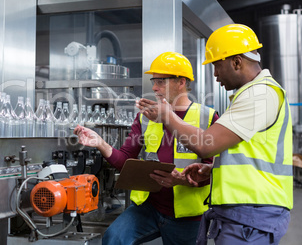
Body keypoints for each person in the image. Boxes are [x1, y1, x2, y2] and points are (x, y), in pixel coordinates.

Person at [137, 24, 293, 245]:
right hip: (244, 213)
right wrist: (213, 171)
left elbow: (205, 145)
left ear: (237, 62)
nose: (215, 74)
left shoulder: (260, 95)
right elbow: (250, 154)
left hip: (251, 215)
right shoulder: (252, 94)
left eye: (217, 66)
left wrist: (167, 117)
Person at [74, 51, 219, 245]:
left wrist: (182, 180)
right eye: (153, 81)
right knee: (114, 238)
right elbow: (125, 160)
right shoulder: (145, 117)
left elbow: (216, 172)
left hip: (188, 215)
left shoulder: (207, 117)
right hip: (148, 208)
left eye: (161, 81)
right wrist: (100, 143)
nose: (154, 87)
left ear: (181, 82)